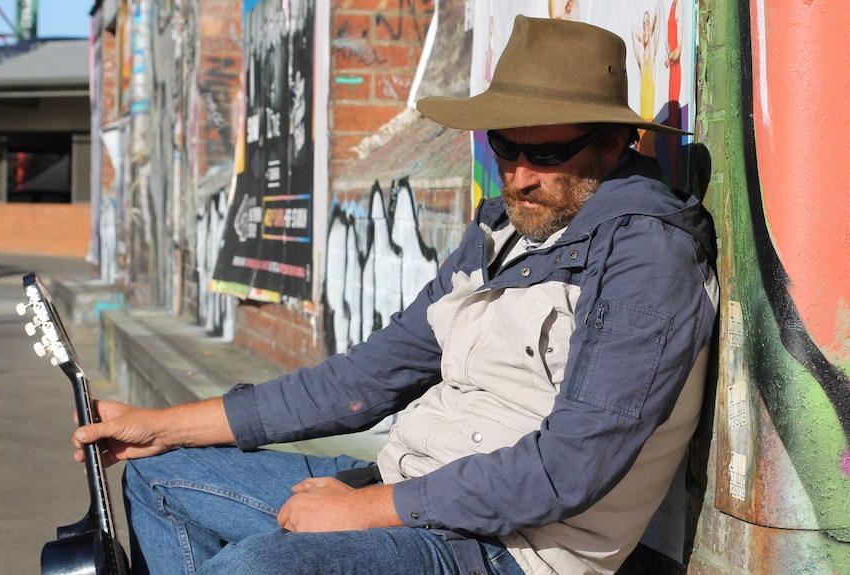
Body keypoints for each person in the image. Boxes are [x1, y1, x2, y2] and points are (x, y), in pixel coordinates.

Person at [74, 16, 718, 575]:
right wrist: (160, 426)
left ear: (611, 143)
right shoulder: (504, 231)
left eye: (545, 152)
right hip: (407, 486)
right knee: (162, 478)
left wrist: (360, 510)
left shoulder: (648, 260)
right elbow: (366, 378)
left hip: (504, 551)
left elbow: (567, 468)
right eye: (505, 147)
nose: (518, 176)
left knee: (252, 568)